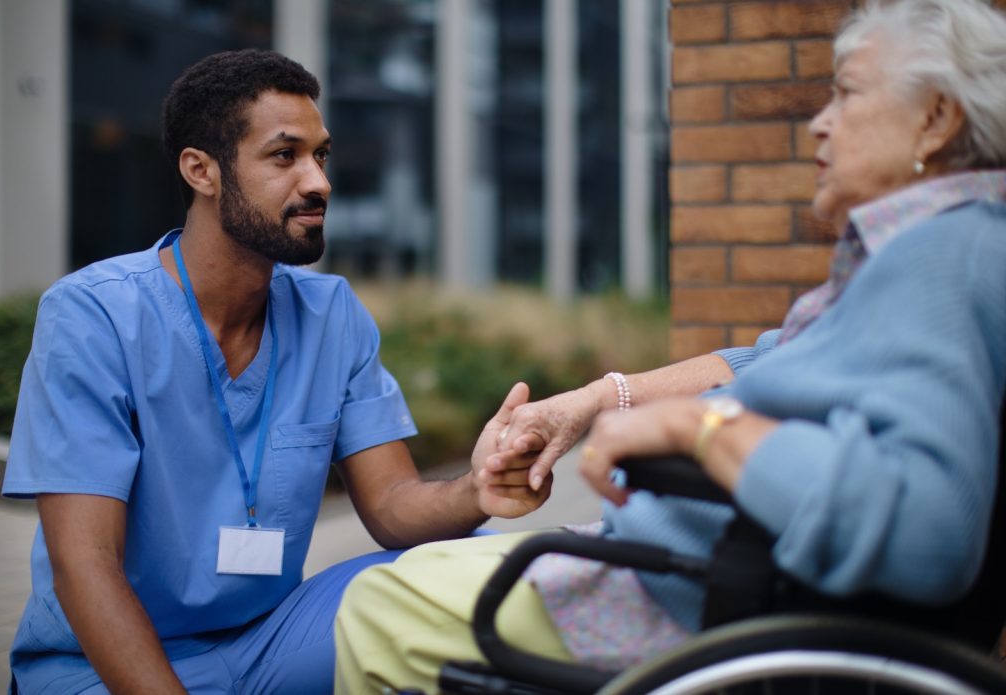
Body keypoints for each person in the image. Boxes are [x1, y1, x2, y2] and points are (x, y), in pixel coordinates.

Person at [333, 0, 1006, 692]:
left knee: (383, 606)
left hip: (704, 603)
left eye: (847, 92)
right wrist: (596, 401)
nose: (819, 121)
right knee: (421, 573)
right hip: (700, 572)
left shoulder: (941, 259)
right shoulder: (938, 247)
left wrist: (699, 425)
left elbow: (928, 533)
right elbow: (770, 360)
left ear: (937, 117)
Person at [0, 49, 551, 694]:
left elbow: (393, 507)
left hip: (271, 640)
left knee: (471, 577)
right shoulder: (93, 316)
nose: (318, 182)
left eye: (321, 155)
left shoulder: (332, 314)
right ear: (201, 171)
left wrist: (475, 490)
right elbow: (83, 565)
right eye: (284, 155)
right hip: (101, 668)